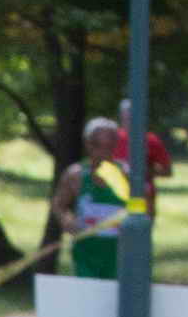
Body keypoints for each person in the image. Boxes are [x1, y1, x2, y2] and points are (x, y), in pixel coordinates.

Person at [48, 116, 149, 282]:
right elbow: (59, 205)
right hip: (86, 252)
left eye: (109, 147)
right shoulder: (76, 175)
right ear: (87, 144)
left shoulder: (126, 175)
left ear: (115, 145)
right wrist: (67, 220)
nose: (103, 153)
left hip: (119, 253)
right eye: (97, 146)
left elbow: (143, 211)